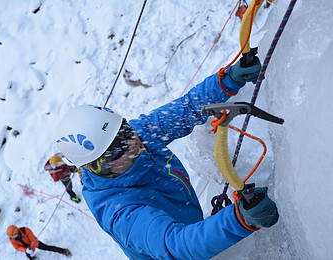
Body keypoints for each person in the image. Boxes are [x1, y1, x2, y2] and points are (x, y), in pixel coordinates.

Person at [54, 59, 279, 259]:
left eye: (124, 130)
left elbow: (187, 108)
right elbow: (175, 245)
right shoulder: (120, 211)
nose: (132, 142)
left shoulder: (138, 134)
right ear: (98, 166)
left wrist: (227, 80)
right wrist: (238, 220)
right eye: (117, 148)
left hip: (189, 228)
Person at [6, 225, 71, 259]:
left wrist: (31, 248)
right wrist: (26, 250)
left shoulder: (25, 230)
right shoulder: (11, 239)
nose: (14, 237)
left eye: (15, 235)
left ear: (17, 231)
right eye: (13, 237)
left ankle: (64, 251)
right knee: (30, 257)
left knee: (47, 247)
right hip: (26, 248)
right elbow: (17, 247)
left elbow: (33, 239)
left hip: (34, 243)